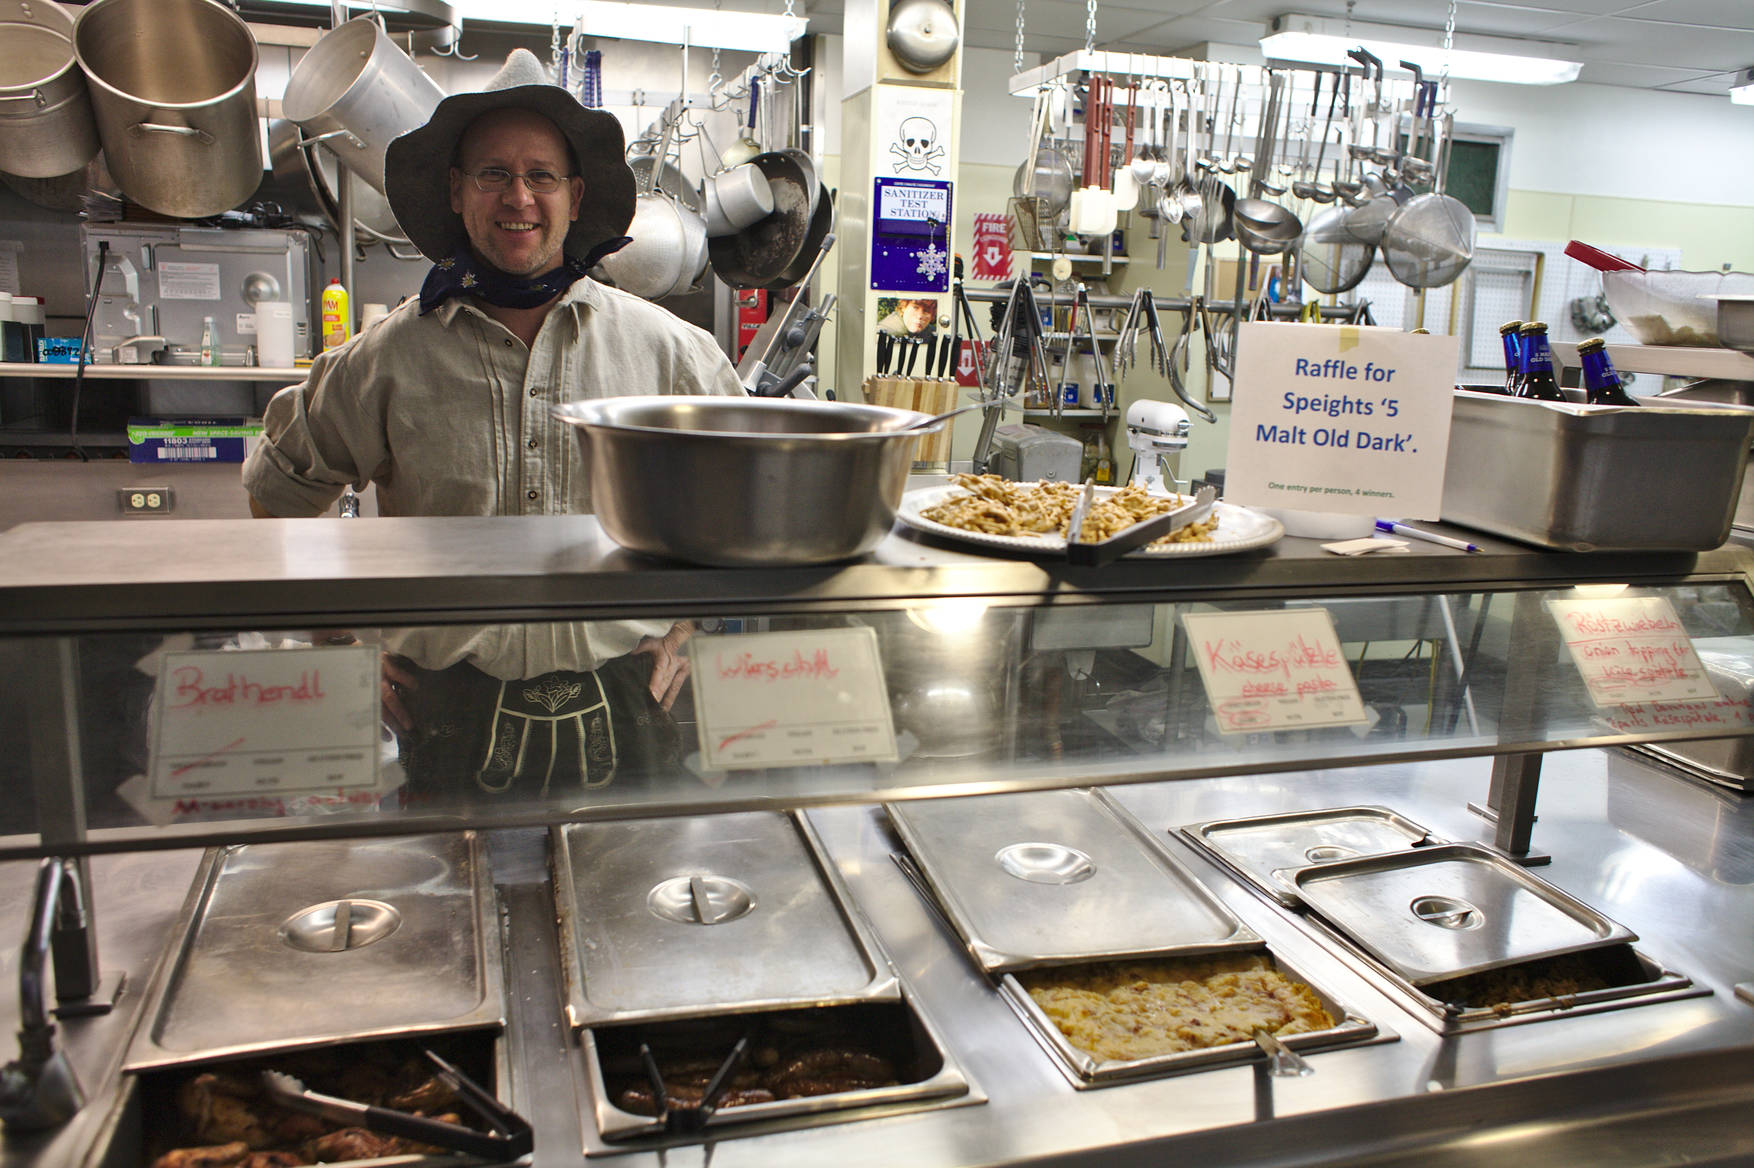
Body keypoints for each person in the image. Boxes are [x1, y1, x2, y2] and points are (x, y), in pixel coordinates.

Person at [242, 49, 744, 804]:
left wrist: (687, 628)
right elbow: (276, 497)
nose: (519, 197)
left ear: (575, 195)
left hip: (630, 701)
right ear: (455, 190)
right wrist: (343, 641)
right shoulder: (385, 360)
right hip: (445, 714)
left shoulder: (671, 353)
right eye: (492, 174)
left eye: (541, 175)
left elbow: (739, 506)